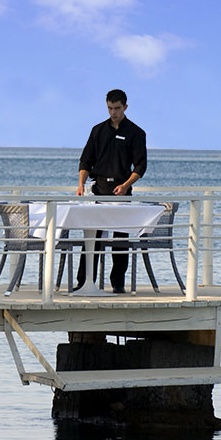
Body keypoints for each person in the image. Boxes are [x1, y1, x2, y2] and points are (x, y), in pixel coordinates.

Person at [74, 89, 147, 293]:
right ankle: (84, 282)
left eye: (116, 108)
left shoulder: (136, 133)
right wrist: (80, 184)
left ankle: (118, 283)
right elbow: (85, 160)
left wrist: (126, 185)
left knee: (120, 240)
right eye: (109, 108)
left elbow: (141, 166)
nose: (113, 112)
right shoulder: (98, 130)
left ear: (125, 107)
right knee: (91, 238)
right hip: (98, 190)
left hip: (122, 191)